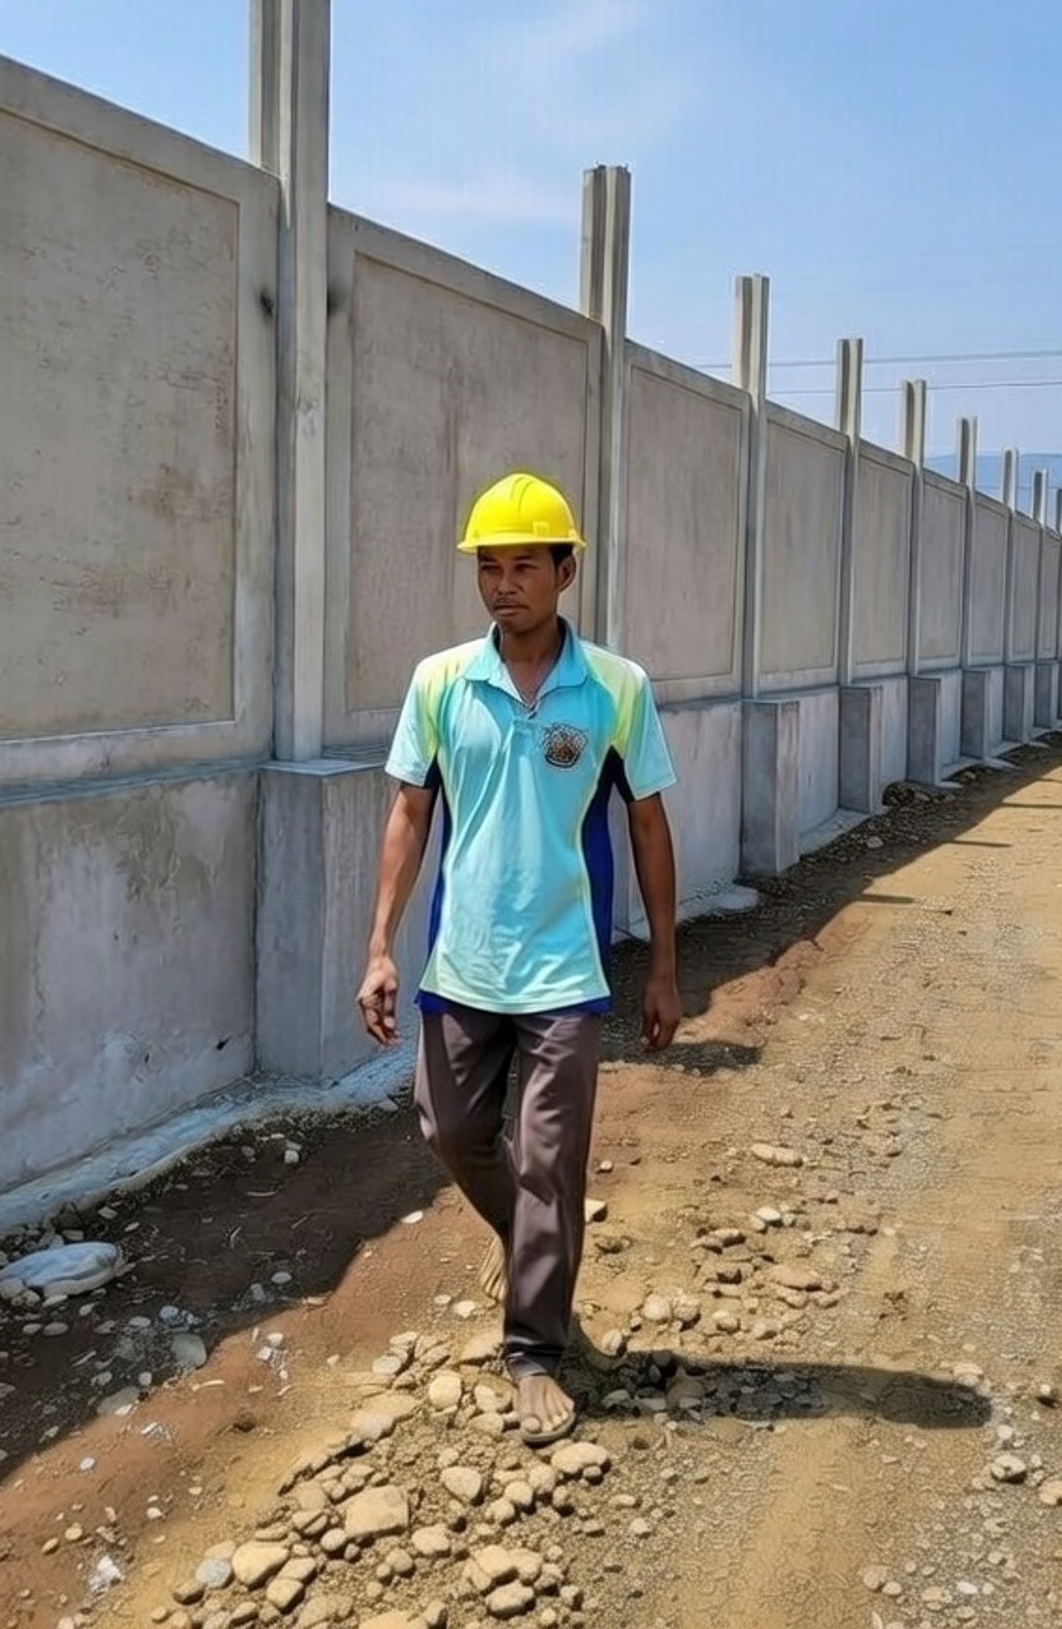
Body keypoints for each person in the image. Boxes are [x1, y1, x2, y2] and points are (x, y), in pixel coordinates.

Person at [355, 471, 681, 1445]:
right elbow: (409, 811)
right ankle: (537, 1241)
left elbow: (650, 825)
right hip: (461, 963)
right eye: (488, 567)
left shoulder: (617, 688)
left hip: (566, 970)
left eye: (524, 566)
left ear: (565, 571)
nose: (504, 584)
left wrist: (664, 966)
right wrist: (379, 947)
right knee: (449, 1129)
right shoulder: (440, 681)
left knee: (549, 1159)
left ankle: (535, 1351)